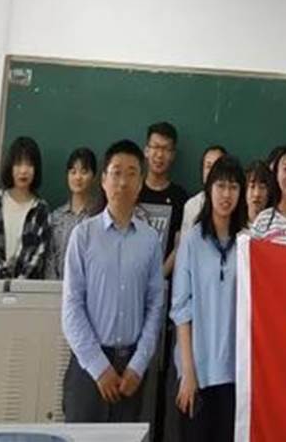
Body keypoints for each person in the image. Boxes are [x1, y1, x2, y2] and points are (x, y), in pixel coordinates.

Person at [61, 139, 165, 423]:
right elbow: (71, 308)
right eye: (116, 173)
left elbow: (155, 306)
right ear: (104, 180)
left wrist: (138, 365)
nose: (123, 182)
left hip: (132, 371)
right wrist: (99, 368)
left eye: (131, 174)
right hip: (89, 368)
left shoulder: (150, 241)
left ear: (140, 183)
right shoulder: (83, 236)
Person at [172, 155, 247, 441]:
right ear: (209, 189)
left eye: (233, 187)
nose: (226, 195)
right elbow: (181, 309)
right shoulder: (192, 240)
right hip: (198, 371)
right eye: (220, 186)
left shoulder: (247, 243)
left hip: (235, 373)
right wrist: (188, 372)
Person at [0, 136, 51, 279]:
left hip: (27, 290)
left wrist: (18, 285)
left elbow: (38, 258)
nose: (23, 170)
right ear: (10, 167)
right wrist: (3, 283)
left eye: (29, 164)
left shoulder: (41, 211)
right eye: (18, 164)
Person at [138, 121, 188, 279]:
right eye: (155, 147)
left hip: (165, 284)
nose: (159, 155)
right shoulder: (133, 192)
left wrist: (158, 279)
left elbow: (180, 244)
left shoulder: (180, 197)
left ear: (173, 155)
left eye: (166, 149)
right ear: (146, 151)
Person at [47, 147, 101, 280]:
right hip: (56, 288)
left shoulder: (99, 216)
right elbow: (49, 259)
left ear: (93, 176)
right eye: (73, 172)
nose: (78, 177)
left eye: (84, 172)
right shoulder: (56, 217)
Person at [180, 145, 228, 239]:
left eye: (217, 166)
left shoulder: (233, 202)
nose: (213, 171)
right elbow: (185, 243)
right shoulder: (192, 205)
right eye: (208, 166)